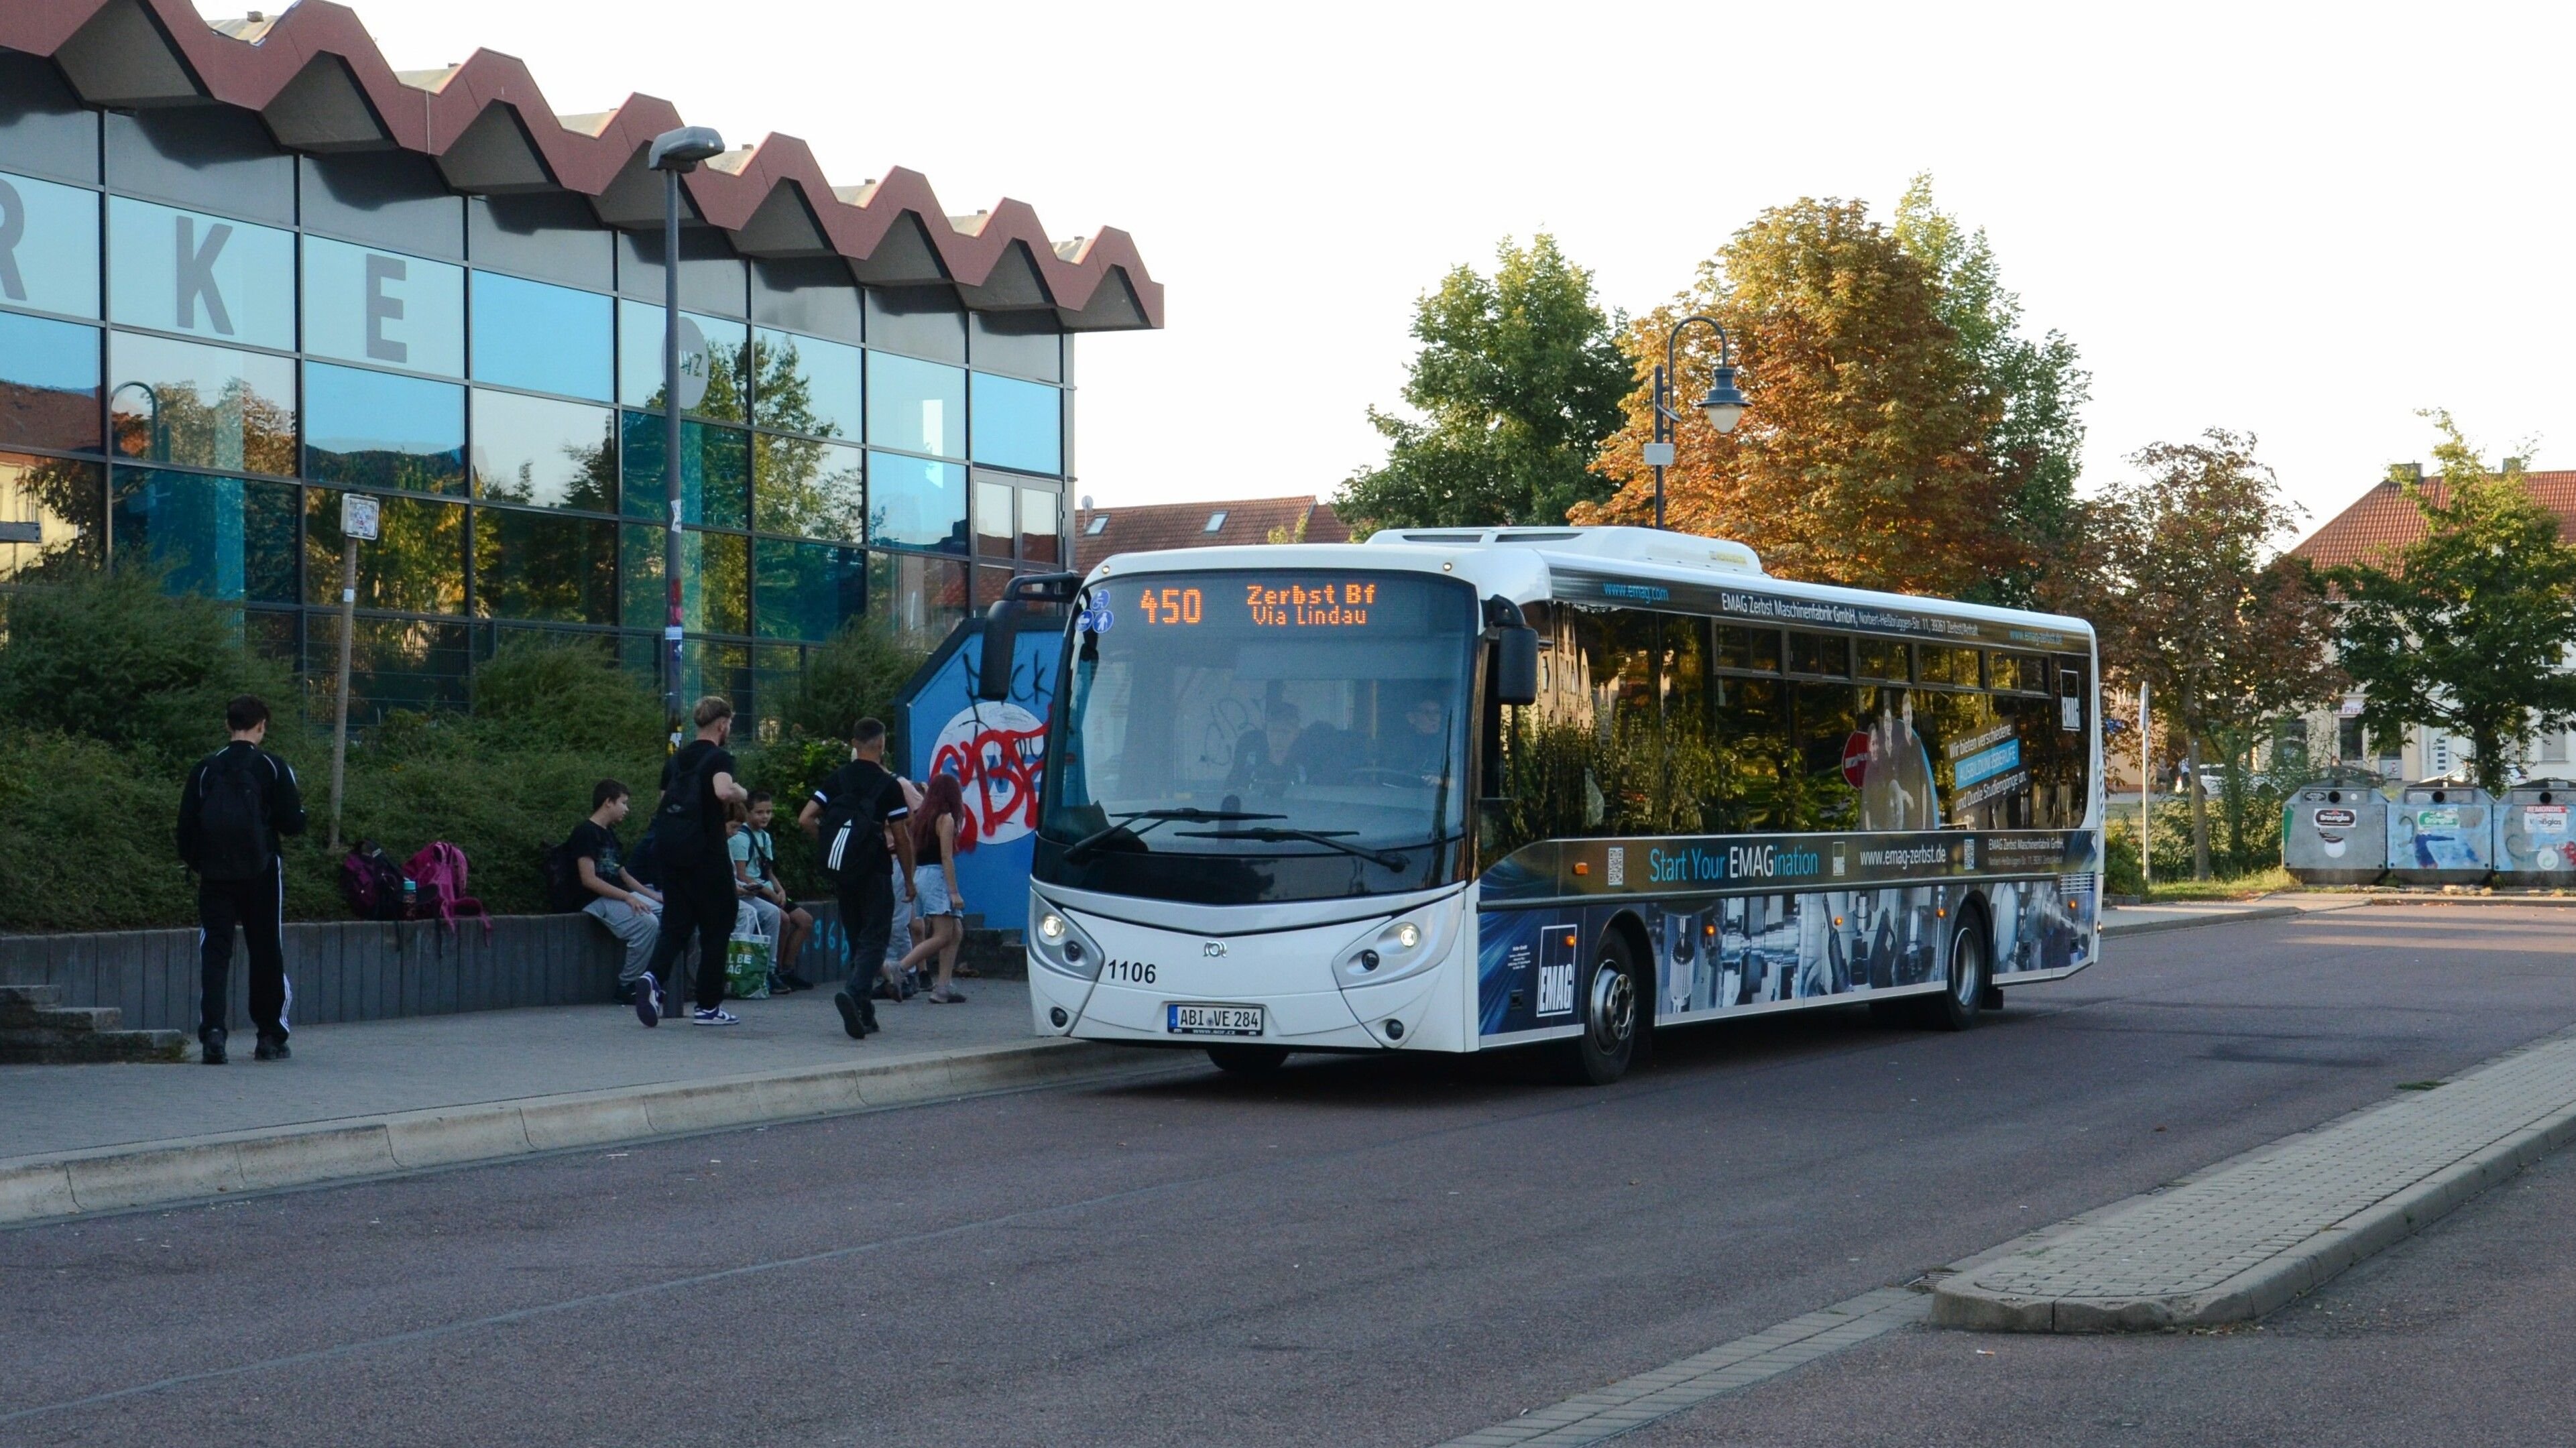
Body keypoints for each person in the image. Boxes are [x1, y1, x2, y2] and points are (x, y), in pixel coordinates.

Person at [176, 694, 308, 1065]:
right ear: (262, 726)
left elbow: (185, 828)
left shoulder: (205, 769)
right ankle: (269, 1036)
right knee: (266, 948)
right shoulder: (273, 767)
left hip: (215, 875)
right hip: (263, 871)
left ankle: (214, 1035)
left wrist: (200, 863)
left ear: (227, 725)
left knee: (215, 952)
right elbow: (293, 823)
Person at [635, 696, 752, 1028]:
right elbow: (723, 792)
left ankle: (652, 978)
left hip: (671, 852)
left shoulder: (676, 760)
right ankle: (708, 1007)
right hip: (706, 852)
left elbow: (663, 803)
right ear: (722, 724)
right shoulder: (719, 758)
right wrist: (742, 793)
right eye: (729, 724)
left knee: (676, 924)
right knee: (719, 925)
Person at [801, 717, 914, 1041]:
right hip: (876, 870)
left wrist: (831, 844)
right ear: (881, 745)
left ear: (854, 743)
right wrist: (909, 879)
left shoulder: (838, 778)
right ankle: (854, 993)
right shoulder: (889, 786)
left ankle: (865, 1012)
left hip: (844, 873)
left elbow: (805, 818)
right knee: (875, 938)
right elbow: (902, 837)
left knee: (856, 936)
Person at [567, 779, 662, 1004]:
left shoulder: (609, 834)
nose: (627, 809)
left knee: (667, 912)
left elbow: (623, 874)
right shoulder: (585, 833)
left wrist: (654, 897)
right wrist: (628, 897)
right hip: (594, 899)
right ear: (608, 802)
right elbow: (589, 879)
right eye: (624, 803)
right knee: (647, 923)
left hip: (614, 894)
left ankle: (656, 980)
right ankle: (628, 985)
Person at [893, 774, 971, 1004]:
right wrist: (954, 892)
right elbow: (946, 857)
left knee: (956, 931)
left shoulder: (922, 818)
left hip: (923, 875)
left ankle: (943, 986)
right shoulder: (945, 819)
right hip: (937, 876)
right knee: (943, 935)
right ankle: (901, 968)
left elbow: (915, 852)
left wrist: (912, 881)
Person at [731, 790, 814, 991]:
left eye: (768, 812)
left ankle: (787, 969)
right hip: (754, 889)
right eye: (759, 812)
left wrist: (780, 889)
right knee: (783, 919)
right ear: (748, 813)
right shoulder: (740, 839)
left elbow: (768, 870)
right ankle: (771, 970)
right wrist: (768, 892)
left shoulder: (765, 837)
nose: (765, 816)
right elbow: (742, 876)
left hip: (768, 888)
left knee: (805, 921)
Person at [1378, 691, 1452, 784]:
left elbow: (1463, 780)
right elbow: (1387, 776)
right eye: (1427, 713)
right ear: (1411, 718)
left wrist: (1442, 781)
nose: (1434, 718)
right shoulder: (1398, 746)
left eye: (1437, 712)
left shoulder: (1451, 743)